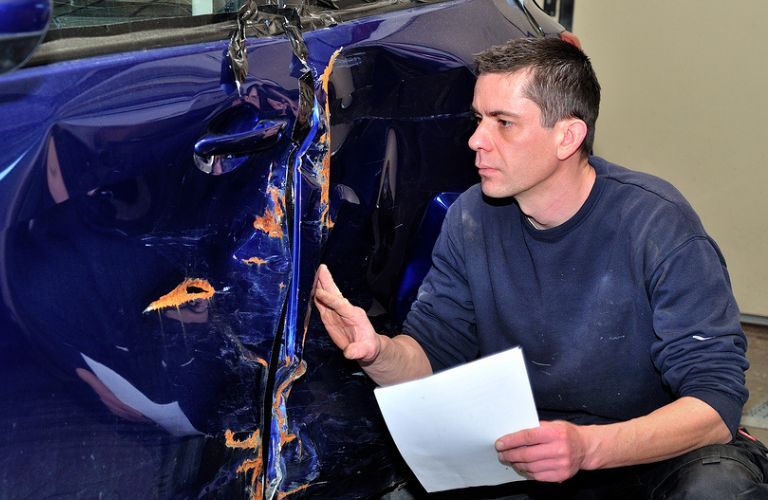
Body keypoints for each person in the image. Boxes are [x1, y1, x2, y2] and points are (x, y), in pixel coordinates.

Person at [314, 37, 768, 498]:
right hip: (538, 455)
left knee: (720, 486)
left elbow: (716, 404)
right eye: (478, 119)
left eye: (503, 123)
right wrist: (376, 352)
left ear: (567, 137)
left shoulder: (656, 224)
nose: (475, 139)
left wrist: (588, 448)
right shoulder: (472, 218)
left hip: (650, 454)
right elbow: (432, 358)